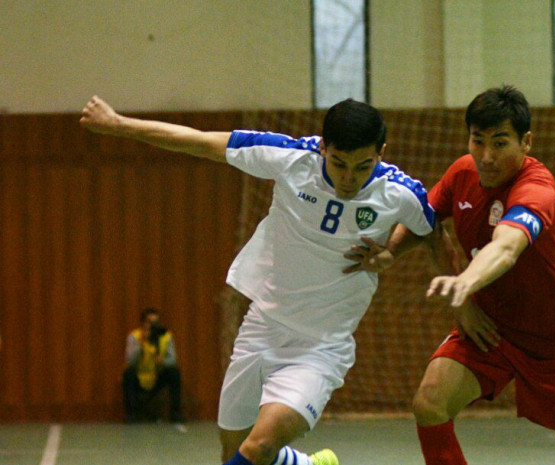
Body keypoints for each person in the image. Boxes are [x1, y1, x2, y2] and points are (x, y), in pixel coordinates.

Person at [80, 95, 436, 465]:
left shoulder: (400, 191)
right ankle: (307, 464)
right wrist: (118, 124)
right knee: (233, 452)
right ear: (322, 147)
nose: (349, 179)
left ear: (381, 152)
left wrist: (392, 252)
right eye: (339, 163)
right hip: (261, 327)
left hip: (321, 347)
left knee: (256, 449)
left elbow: (430, 229)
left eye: (362, 166)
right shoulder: (291, 159)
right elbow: (201, 141)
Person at [352, 85, 555, 465]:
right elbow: (426, 220)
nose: (487, 156)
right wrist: (389, 253)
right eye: (478, 140)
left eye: (500, 143)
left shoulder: (537, 190)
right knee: (430, 404)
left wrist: (466, 282)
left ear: (526, 143)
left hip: (552, 341)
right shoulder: (462, 172)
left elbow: (506, 246)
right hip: (489, 329)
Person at [123, 307, 184, 423]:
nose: (152, 326)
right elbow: (130, 360)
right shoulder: (134, 337)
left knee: (174, 373)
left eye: (156, 322)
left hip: (157, 376)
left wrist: (163, 361)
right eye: (149, 322)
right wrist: (141, 344)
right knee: (128, 373)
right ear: (143, 323)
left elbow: (173, 359)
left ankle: (175, 414)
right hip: (140, 377)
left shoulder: (166, 336)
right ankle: (131, 415)